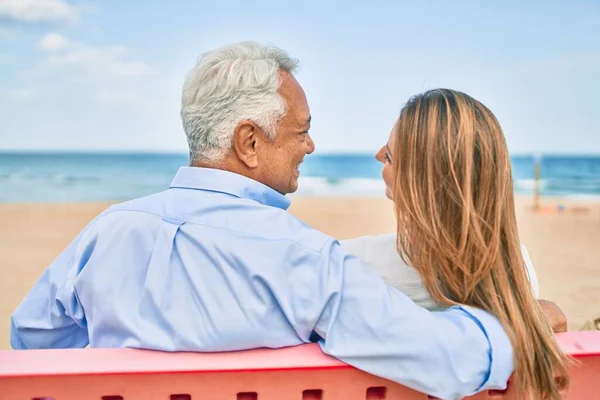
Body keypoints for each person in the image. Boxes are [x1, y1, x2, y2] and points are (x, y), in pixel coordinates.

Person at [10, 42, 513, 400]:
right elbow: (451, 361)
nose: (310, 146)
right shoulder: (304, 259)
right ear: (249, 142)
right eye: (301, 131)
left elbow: (34, 338)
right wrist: (509, 324)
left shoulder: (108, 230)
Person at [341, 89, 569, 400]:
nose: (378, 154)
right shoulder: (519, 271)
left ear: (421, 182)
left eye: (391, 155)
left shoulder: (355, 264)